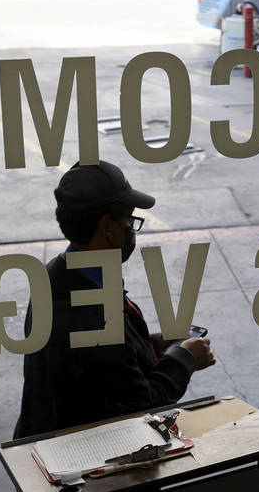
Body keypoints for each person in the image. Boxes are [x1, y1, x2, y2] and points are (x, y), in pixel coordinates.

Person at [12, 160, 216, 439]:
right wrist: (184, 359)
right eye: (128, 221)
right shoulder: (89, 311)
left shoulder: (61, 272)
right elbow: (141, 407)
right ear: (107, 226)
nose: (131, 230)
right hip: (83, 458)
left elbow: (103, 364)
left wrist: (156, 341)